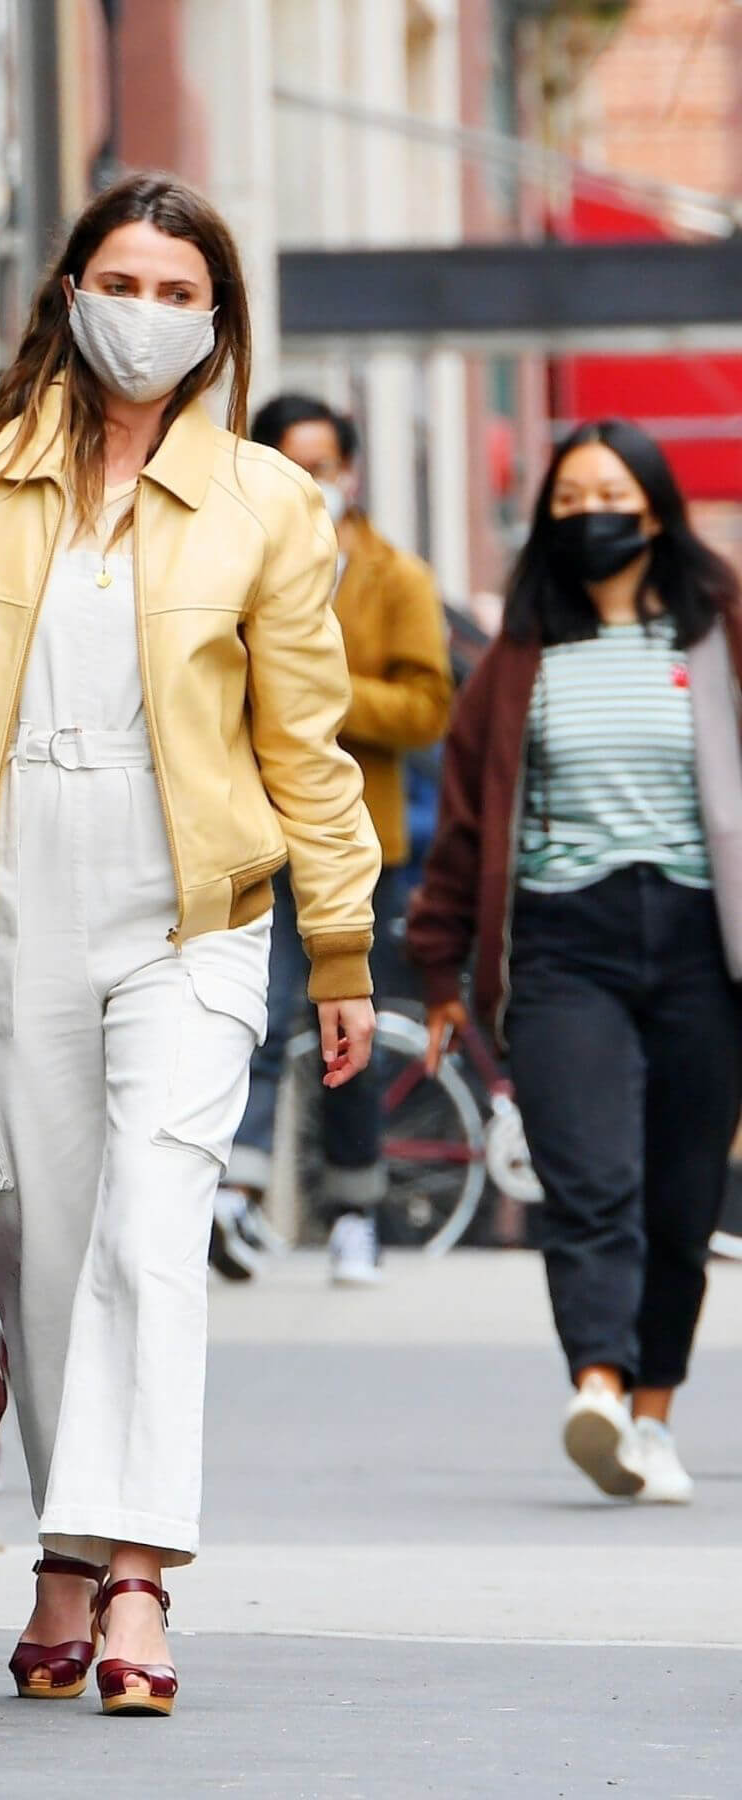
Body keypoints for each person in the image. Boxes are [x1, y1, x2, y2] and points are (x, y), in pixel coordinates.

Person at [0, 172, 380, 1716]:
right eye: (119, 282)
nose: (142, 315)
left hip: (189, 914)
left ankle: (134, 1572)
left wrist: (335, 945)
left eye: (174, 291)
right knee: (42, 1250)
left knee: (152, 1231)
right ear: (67, 292)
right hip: (10, 900)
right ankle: (66, 1552)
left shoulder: (269, 503)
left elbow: (311, 745)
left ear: (215, 322)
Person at [409, 419, 742, 1504]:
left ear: (654, 507)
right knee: (590, 1176)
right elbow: (464, 828)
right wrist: (442, 972)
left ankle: (654, 1418)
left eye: (612, 492)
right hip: (562, 941)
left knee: (682, 1195)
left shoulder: (719, 628)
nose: (590, 512)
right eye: (569, 499)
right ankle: (597, 1386)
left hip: (704, 941)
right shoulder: (520, 658)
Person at [213, 395, 451, 1284]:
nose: (314, 482)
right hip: (247, 829)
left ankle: (355, 1208)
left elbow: (429, 707)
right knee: (259, 1013)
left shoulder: (397, 578)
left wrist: (313, 687)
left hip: (356, 841)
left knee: (342, 1022)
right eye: (292, 462)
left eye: (325, 463)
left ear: (350, 470)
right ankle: (235, 1193)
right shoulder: (227, 561)